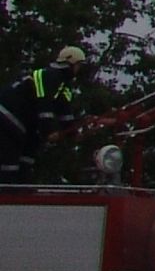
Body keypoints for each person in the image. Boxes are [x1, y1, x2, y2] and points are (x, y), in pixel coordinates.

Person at [0, 44, 94, 182]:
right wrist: (49, 132)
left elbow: (65, 112)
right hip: (6, 115)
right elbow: (44, 106)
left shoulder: (63, 84)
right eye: (79, 65)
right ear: (71, 63)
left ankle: (21, 186)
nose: (79, 69)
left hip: (21, 121)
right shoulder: (48, 75)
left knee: (30, 150)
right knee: (10, 155)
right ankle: (8, 188)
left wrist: (73, 134)